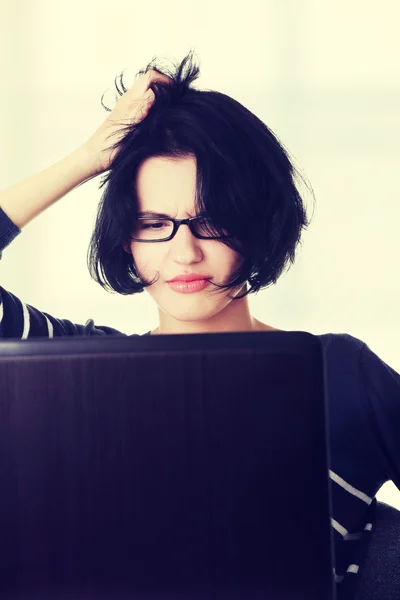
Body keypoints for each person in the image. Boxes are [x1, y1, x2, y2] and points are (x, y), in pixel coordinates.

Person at [0, 51, 399, 599]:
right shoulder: (77, 375)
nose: (185, 252)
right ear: (126, 239)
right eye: (154, 223)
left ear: (259, 227)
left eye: (212, 221)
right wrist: (91, 157)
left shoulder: (343, 375)